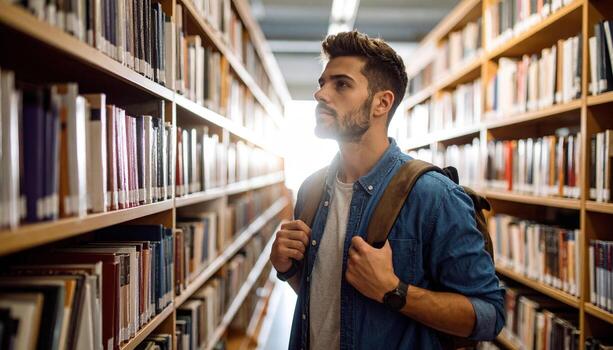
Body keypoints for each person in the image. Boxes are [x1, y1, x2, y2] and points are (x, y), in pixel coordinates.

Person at [269, 31, 505, 350]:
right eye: (322, 82)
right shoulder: (311, 189)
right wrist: (287, 269)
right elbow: (333, 303)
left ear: (382, 102)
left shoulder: (434, 196)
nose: (320, 94)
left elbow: (489, 315)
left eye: (341, 84)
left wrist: (392, 290)